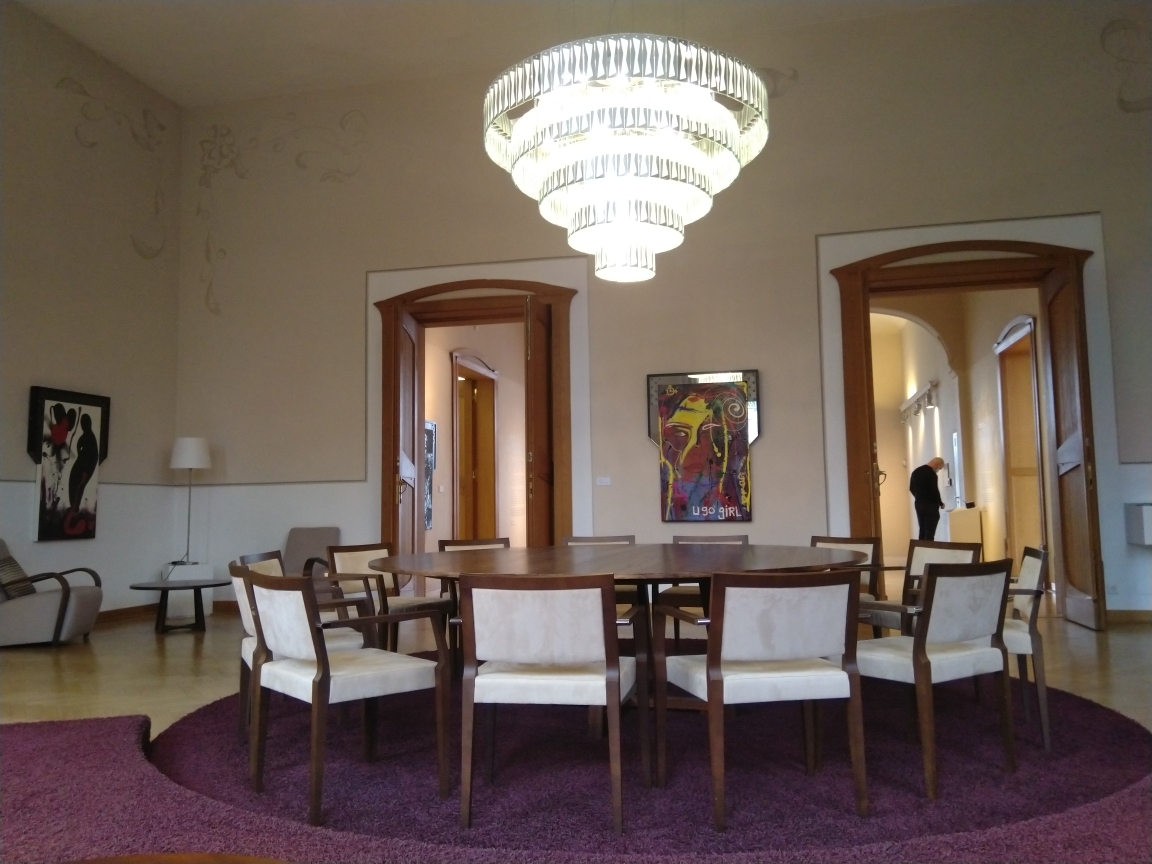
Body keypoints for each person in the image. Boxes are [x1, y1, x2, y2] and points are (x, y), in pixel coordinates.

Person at [909, 457, 945, 540]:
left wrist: (919, 497)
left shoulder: (916, 472)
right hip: (930, 506)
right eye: (939, 468)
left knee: (922, 530)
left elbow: (911, 488)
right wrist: (940, 503)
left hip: (919, 504)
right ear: (937, 464)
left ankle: (920, 547)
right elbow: (934, 490)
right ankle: (929, 547)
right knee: (930, 533)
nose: (938, 470)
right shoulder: (931, 474)